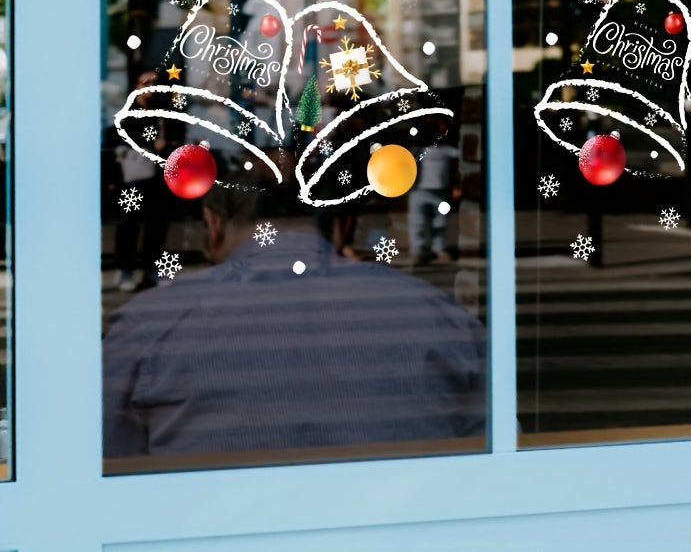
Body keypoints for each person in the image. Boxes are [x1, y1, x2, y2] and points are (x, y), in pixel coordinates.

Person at [102, 176, 485, 459]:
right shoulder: (437, 313)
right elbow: (492, 455)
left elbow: (105, 473)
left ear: (213, 223)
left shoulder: (148, 324)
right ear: (343, 225)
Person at [110, 69, 182, 291]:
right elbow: (120, 141)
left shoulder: (162, 112)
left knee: (156, 225)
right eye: (145, 83)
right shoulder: (128, 113)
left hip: (157, 177)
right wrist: (152, 143)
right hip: (133, 177)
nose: (150, 89)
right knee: (129, 225)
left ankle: (151, 270)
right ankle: (125, 269)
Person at [408, 135, 461, 266]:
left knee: (440, 223)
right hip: (419, 191)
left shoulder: (449, 151)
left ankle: (439, 248)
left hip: (441, 192)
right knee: (418, 223)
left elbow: (460, 165)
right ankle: (418, 251)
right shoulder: (418, 151)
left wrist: (457, 185)